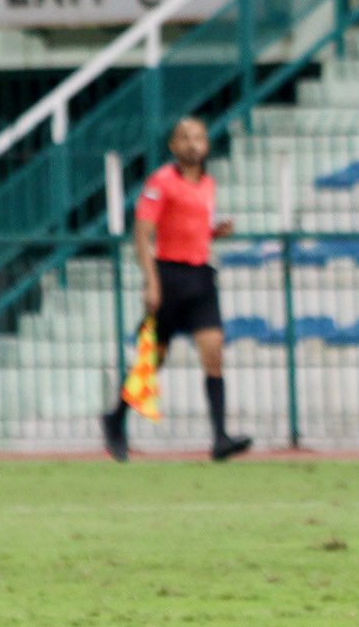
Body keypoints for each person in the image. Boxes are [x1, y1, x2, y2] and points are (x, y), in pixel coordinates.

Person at [102, 116, 253, 463]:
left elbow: (192, 226)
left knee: (213, 353)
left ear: (207, 144)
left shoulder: (208, 184)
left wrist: (214, 232)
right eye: (185, 137)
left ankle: (220, 438)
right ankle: (115, 419)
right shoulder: (161, 182)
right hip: (169, 276)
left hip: (201, 276)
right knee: (153, 359)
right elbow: (142, 233)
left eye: (198, 137)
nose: (192, 144)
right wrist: (151, 281)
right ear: (173, 145)